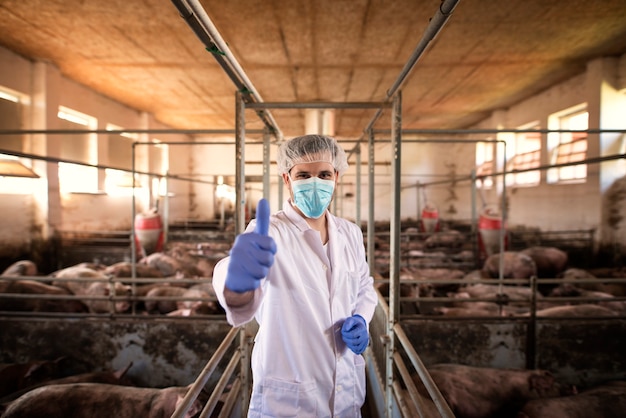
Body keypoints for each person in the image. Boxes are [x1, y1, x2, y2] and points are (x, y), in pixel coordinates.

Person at [212, 134, 378, 417]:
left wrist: (362, 316)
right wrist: (236, 281)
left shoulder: (350, 233)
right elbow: (233, 280)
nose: (315, 182)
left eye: (324, 174)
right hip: (289, 402)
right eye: (303, 175)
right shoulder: (269, 231)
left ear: (337, 176)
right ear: (287, 179)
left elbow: (363, 285)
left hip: (347, 394)